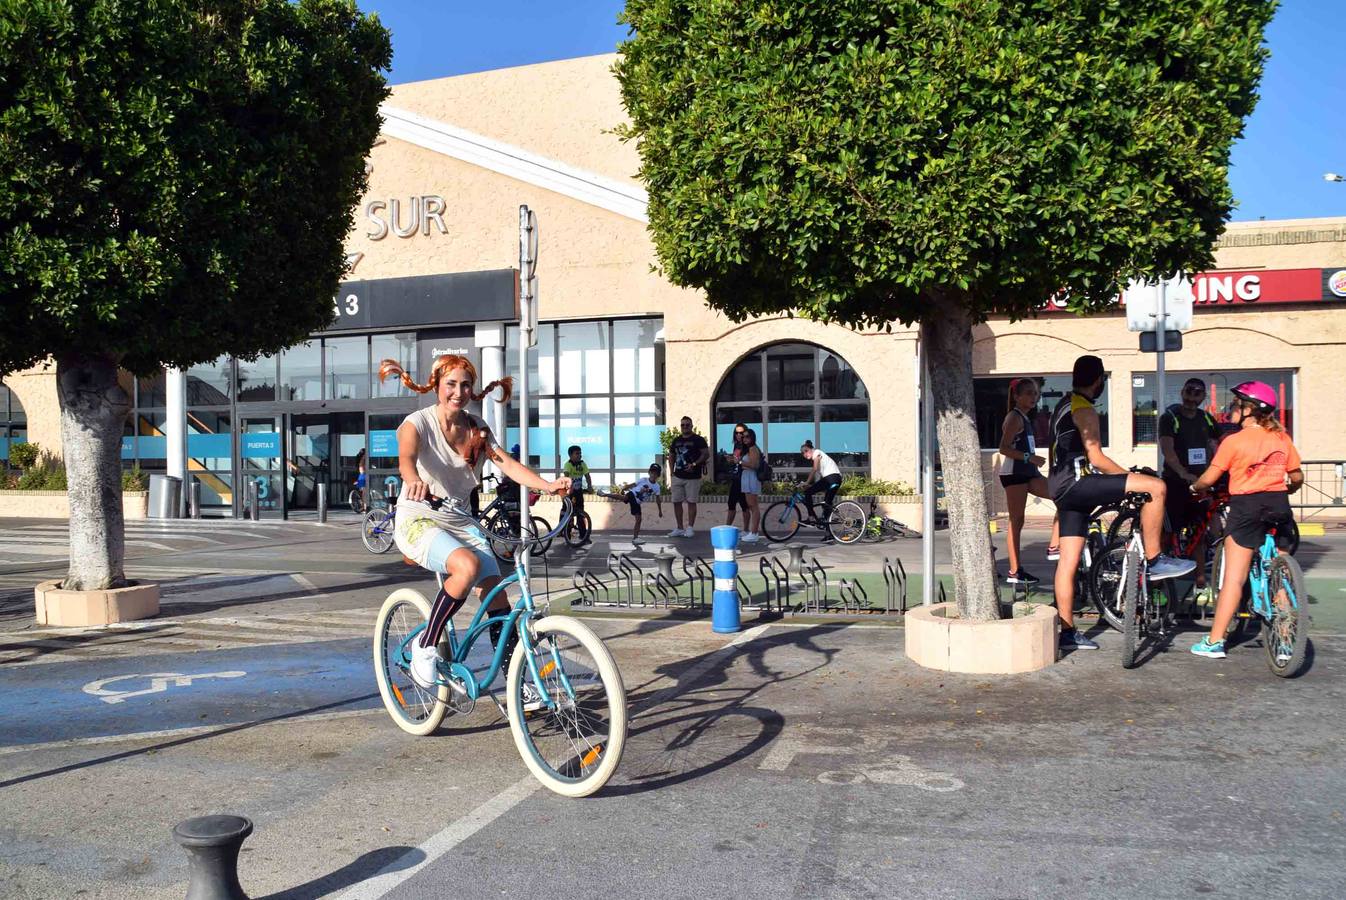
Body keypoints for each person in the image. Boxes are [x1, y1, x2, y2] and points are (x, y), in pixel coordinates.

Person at [380, 355, 570, 689]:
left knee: (498, 598)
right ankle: (425, 645)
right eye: (451, 384)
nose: (458, 391)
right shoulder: (417, 423)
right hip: (420, 516)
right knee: (465, 567)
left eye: (465, 384)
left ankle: (517, 685)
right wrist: (412, 480)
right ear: (437, 384)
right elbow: (406, 458)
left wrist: (548, 485)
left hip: (461, 520)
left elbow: (508, 464)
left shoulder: (477, 428)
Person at [1049, 355, 1194, 651]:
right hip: (1077, 483)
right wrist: (1130, 475)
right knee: (1155, 487)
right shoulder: (1084, 407)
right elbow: (1097, 459)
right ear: (1099, 380)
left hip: (1061, 489)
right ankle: (1154, 560)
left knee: (1068, 561)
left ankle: (1066, 632)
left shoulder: (1062, 405)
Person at [1188, 381, 1303, 659]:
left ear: (1248, 410)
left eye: (1236, 406)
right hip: (1279, 505)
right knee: (1281, 572)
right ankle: (1286, 644)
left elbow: (1210, 478)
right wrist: (1288, 488)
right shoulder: (1281, 438)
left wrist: (1195, 488)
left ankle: (1215, 642)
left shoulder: (1234, 441)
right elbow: (1297, 476)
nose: (1232, 411)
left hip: (1245, 508)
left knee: (1233, 579)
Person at [1159, 377, 1221, 592]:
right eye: (1189, 391)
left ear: (1203, 397)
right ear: (1182, 393)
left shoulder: (1208, 419)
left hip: (1201, 481)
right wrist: (1183, 473)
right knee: (1168, 532)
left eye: (1197, 393)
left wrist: (1216, 472)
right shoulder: (1170, 418)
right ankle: (1159, 579)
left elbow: (1217, 446)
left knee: (1200, 531)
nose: (1192, 396)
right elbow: (1168, 450)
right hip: (1177, 481)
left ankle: (1201, 579)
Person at [996, 379, 1060, 584]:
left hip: (1029, 473)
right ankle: (1015, 570)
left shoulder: (1025, 417)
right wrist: (1028, 457)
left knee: (1062, 494)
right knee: (1017, 520)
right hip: (1015, 474)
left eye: (1036, 394)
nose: (1034, 397)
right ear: (1017, 396)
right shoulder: (1014, 417)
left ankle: (1054, 545)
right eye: (1029, 393)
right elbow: (1003, 448)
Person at [668, 416, 710, 537]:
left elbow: (706, 454)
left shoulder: (698, 440)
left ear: (692, 426)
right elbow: (671, 456)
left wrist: (695, 464)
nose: (685, 427)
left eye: (687, 425)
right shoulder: (676, 440)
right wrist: (671, 472)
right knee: (676, 502)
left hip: (693, 477)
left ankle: (690, 527)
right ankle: (680, 527)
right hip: (678, 476)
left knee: (691, 502)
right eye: (683, 425)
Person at [800, 440, 842, 540]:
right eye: (802, 453)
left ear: (810, 450)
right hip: (834, 479)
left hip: (831, 478)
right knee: (827, 505)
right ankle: (829, 534)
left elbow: (814, 469)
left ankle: (811, 517)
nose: (804, 454)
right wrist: (811, 485)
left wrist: (807, 482)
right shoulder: (819, 455)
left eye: (805, 451)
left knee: (807, 492)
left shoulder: (817, 452)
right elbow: (819, 478)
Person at [618, 463, 663, 544]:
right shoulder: (643, 480)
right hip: (633, 494)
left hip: (637, 502)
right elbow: (633, 484)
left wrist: (660, 511)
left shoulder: (657, 487)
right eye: (652, 472)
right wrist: (625, 488)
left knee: (638, 519)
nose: (653, 475)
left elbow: (658, 499)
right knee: (638, 518)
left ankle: (635, 538)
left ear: (658, 475)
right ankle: (635, 538)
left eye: (656, 473)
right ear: (649, 472)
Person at [562, 444, 593, 544]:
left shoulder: (582, 464)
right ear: (570, 455)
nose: (579, 455)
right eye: (577, 454)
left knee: (581, 514)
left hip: (578, 491)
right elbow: (566, 476)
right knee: (567, 512)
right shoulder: (568, 464)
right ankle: (566, 534)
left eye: (580, 453)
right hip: (570, 492)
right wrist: (568, 488)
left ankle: (583, 536)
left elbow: (587, 476)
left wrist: (589, 486)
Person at [738, 428, 764, 542]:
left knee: (753, 506)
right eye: (743, 436)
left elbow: (754, 465)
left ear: (752, 437)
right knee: (751, 505)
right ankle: (752, 532)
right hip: (747, 477)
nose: (745, 438)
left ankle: (754, 532)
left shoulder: (753, 449)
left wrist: (739, 462)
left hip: (751, 477)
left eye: (747, 436)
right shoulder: (748, 449)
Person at [724, 423, 750, 530]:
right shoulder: (737, 445)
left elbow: (749, 462)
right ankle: (727, 528)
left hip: (743, 477)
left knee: (744, 505)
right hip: (736, 477)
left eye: (741, 433)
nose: (739, 435)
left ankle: (746, 529)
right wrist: (730, 459)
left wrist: (737, 461)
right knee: (731, 503)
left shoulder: (747, 446)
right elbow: (737, 460)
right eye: (736, 433)